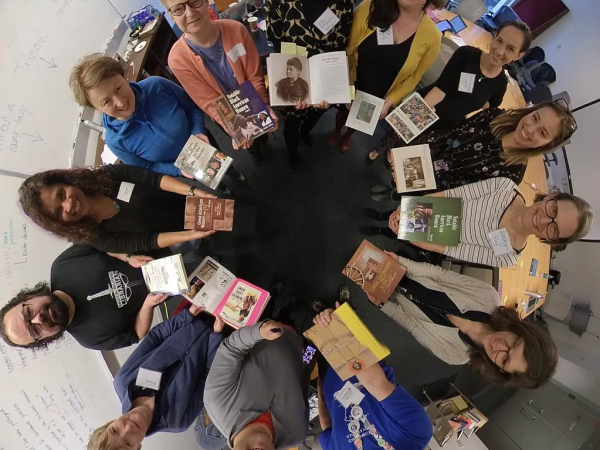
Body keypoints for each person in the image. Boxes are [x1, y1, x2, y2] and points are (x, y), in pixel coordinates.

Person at [363, 253, 558, 387]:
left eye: (505, 359)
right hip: (402, 270)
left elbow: (411, 325)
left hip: (388, 293)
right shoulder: (488, 296)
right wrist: (401, 261)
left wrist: (383, 305)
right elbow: (439, 275)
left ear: (501, 369)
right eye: (513, 342)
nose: (500, 347)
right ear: (519, 330)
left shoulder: (455, 355)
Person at [69, 53, 244, 194]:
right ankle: (222, 187)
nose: (120, 102)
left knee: (223, 163)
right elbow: (147, 167)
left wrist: (198, 131)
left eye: (119, 88)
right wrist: (177, 171)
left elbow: (191, 106)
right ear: (96, 108)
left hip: (202, 140)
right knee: (209, 178)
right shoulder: (116, 141)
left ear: (124, 77)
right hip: (181, 165)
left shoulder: (156, 85)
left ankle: (234, 173)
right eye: (106, 102)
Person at [362, 177, 593, 267]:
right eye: (553, 209)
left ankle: (382, 229)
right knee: (393, 213)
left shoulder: (509, 255)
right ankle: (382, 216)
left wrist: (412, 238)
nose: (543, 219)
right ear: (551, 198)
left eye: (553, 228)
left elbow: (453, 248)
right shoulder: (505, 188)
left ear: (553, 240)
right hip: (431, 209)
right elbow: (453, 194)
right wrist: (410, 205)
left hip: (431, 235)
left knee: (392, 230)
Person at [369, 100, 578, 198]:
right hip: (425, 154)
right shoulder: (495, 116)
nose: (530, 129)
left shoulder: (510, 176)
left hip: (432, 189)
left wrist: (415, 183)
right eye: (535, 117)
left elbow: (461, 195)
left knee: (394, 194)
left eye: (542, 133)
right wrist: (410, 156)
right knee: (389, 179)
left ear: (547, 145)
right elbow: (451, 135)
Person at [86, 304, 226, 450]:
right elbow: (208, 375)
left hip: (194, 313)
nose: (128, 428)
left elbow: (156, 337)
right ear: (138, 447)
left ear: (110, 423)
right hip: (224, 335)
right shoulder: (178, 421)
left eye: (115, 430)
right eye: (128, 443)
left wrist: (187, 316)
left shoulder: (124, 381)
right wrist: (216, 336)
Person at [163, 0, 278, 165]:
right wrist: (233, 129)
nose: (189, 13)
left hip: (254, 103)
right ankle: (255, 153)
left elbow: (254, 75)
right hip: (226, 114)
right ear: (171, 15)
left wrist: (264, 105)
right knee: (249, 144)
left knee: (262, 135)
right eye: (178, 9)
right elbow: (209, 102)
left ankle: (264, 145)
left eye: (194, 2)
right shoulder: (177, 59)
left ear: (206, 2)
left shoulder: (236, 30)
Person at [0, 245, 170, 350]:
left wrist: (126, 257)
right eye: (34, 330)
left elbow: (102, 242)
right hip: (177, 284)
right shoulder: (91, 340)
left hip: (162, 241)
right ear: (45, 339)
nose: (39, 319)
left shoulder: (62, 265)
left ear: (29, 296)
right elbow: (135, 334)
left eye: (28, 313)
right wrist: (148, 305)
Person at [19, 164, 216, 254]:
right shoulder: (97, 238)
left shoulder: (106, 175)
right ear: (59, 223)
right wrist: (189, 235)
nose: (68, 205)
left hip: (192, 202)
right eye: (58, 212)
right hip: (184, 231)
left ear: (65, 181)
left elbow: (152, 179)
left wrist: (193, 191)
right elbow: (147, 241)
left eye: (61, 194)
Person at [328, 0, 444, 153]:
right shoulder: (372, 6)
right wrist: (347, 83)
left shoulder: (433, 37)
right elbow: (348, 48)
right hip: (353, 79)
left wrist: (389, 102)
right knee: (342, 113)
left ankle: (348, 135)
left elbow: (413, 78)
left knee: (359, 120)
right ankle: (337, 130)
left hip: (379, 94)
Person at [313, 306, 433, 450]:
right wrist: (339, 334)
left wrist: (321, 389)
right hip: (357, 359)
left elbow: (327, 427)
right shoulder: (416, 435)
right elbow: (375, 383)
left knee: (312, 334)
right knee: (329, 316)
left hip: (328, 376)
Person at [265, 0, 353, 171]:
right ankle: (292, 152)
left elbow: (341, 44)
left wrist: (334, 85)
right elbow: (276, 42)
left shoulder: (343, 2)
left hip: (323, 76)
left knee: (316, 114)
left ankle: (305, 132)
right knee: (291, 123)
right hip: (291, 73)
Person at [201, 320, 309, 450]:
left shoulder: (216, 400)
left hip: (263, 318)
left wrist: (259, 331)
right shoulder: (297, 435)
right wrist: (312, 346)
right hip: (301, 337)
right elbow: (303, 382)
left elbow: (232, 347)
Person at [421, 21, 532, 130]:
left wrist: (477, 98)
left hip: (445, 128)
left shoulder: (501, 83)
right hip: (426, 105)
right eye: (499, 41)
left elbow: (493, 105)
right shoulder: (466, 54)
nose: (500, 51)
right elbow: (440, 89)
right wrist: (415, 118)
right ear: (494, 36)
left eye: (510, 49)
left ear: (518, 56)